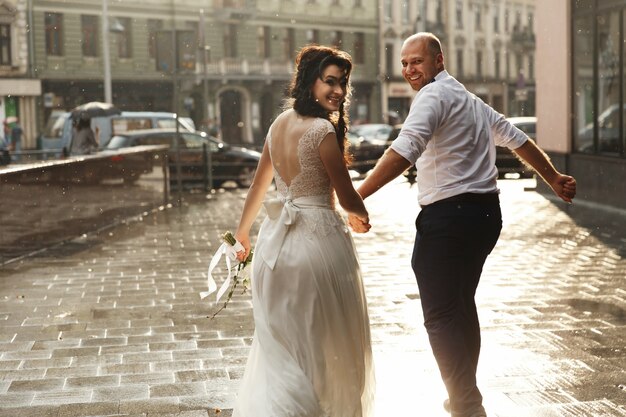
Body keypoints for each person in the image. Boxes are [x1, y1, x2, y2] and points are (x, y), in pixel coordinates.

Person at [349, 33, 576, 417]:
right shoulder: (470, 100)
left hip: (449, 220)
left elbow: (403, 150)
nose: (409, 70)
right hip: (485, 216)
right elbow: (519, 140)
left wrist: (357, 196)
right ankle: (462, 397)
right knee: (460, 307)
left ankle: (468, 406)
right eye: (404, 63)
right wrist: (553, 177)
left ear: (439, 60)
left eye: (416, 61)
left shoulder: (434, 97)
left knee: (439, 315)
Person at [231, 45, 375, 417]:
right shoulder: (322, 131)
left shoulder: (278, 123)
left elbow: (259, 186)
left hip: (273, 252)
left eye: (342, 83)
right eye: (330, 81)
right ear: (309, 81)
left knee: (284, 349)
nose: (339, 91)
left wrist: (242, 234)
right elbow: (347, 198)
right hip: (318, 248)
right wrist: (361, 216)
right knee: (328, 345)